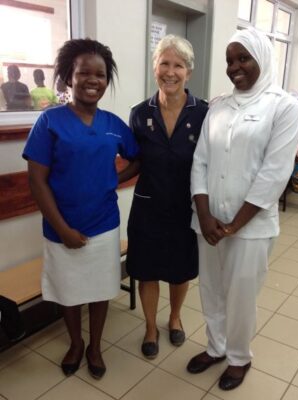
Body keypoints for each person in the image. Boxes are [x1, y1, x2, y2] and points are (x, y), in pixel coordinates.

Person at [187, 27, 298, 391]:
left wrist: (234, 225)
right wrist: (204, 214)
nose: (234, 66)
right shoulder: (219, 105)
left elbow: (274, 173)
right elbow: (200, 160)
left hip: (250, 227)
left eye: (243, 58)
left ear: (262, 59)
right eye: (230, 60)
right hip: (208, 222)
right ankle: (216, 346)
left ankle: (238, 356)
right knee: (211, 288)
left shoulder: (282, 106)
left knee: (240, 294)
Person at [22, 38, 138, 379]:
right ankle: (75, 343)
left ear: (106, 80)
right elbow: (36, 182)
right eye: (83, 72)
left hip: (104, 225)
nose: (92, 80)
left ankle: (95, 346)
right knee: (69, 292)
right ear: (68, 78)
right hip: (62, 228)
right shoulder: (49, 122)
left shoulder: (114, 124)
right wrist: (62, 229)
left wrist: (111, 181)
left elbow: (137, 158)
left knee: (101, 289)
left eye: (100, 74)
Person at [125, 34, 208, 359]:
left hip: (186, 208)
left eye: (178, 65)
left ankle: (174, 317)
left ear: (188, 72)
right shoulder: (139, 113)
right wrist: (108, 180)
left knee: (180, 269)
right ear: (154, 67)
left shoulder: (203, 112)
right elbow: (135, 161)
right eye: (164, 64)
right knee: (146, 270)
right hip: (148, 207)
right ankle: (149, 326)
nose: (170, 71)